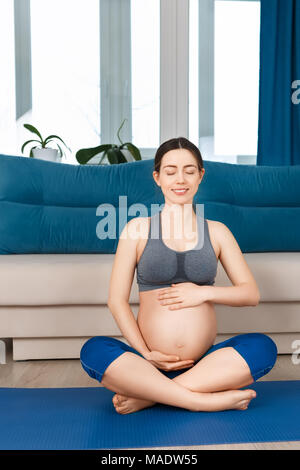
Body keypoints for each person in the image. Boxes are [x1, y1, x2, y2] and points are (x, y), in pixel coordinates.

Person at [80, 137, 277, 414]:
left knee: (263, 348)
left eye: (189, 170)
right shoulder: (137, 229)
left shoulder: (218, 231)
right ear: (157, 177)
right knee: (93, 350)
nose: (180, 179)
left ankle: (150, 395)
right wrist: (146, 354)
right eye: (170, 171)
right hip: (147, 361)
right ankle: (199, 400)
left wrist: (202, 292)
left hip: (204, 363)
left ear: (200, 176)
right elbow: (116, 301)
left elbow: (250, 294)